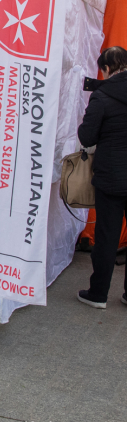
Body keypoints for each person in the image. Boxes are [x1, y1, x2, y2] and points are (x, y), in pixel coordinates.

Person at [76, 46, 127, 309]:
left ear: (106, 69)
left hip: (111, 177)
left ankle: (98, 294)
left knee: (107, 236)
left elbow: (87, 137)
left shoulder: (102, 96)